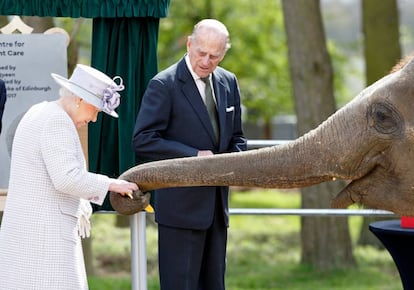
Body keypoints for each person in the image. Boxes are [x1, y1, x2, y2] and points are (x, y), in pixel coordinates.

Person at [0, 64, 138, 290]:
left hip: (30, 238)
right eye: (96, 110)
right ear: (80, 100)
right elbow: (66, 178)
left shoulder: (40, 111)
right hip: (45, 241)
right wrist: (113, 184)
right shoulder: (57, 121)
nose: (94, 119)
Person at [132, 19, 247, 290]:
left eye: (214, 55)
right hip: (180, 213)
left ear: (223, 54)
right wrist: (194, 156)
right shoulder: (164, 84)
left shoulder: (229, 82)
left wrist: (235, 161)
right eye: (201, 53)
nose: (206, 61)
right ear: (189, 44)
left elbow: (238, 137)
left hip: (218, 211)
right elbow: (143, 140)